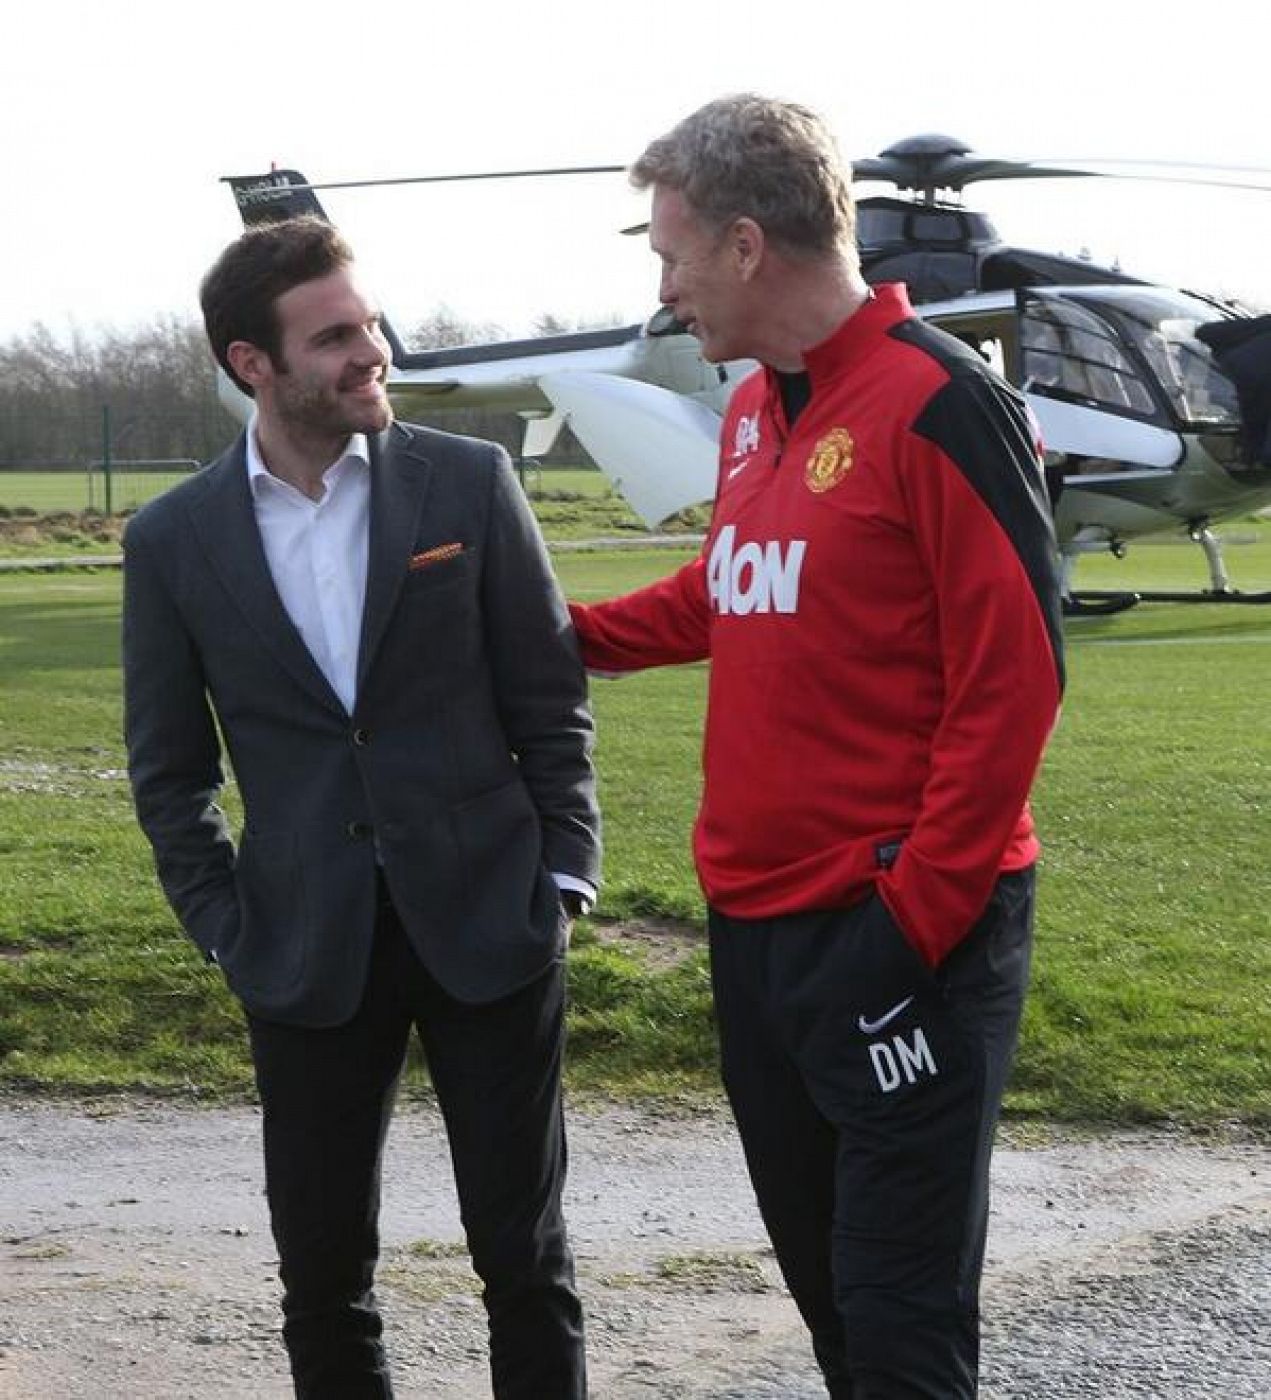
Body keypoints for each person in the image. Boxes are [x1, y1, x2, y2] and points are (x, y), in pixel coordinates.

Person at [568, 95, 1065, 1398]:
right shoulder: (750, 416)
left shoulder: (939, 404)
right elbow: (723, 590)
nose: (662, 289)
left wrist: (907, 929)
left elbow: (1011, 684)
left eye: (670, 255)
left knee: (897, 1321)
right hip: (756, 936)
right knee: (832, 1308)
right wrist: (549, 636)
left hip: (899, 930)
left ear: (743, 248)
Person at [122, 215, 601, 1399]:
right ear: (253, 364)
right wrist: (226, 925)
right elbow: (169, 772)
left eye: (369, 322)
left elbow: (550, 700)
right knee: (324, 1278)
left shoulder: (469, 483)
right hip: (301, 946)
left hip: (493, 920)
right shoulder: (175, 539)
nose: (370, 350)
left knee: (524, 1262)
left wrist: (563, 875)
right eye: (335, 336)